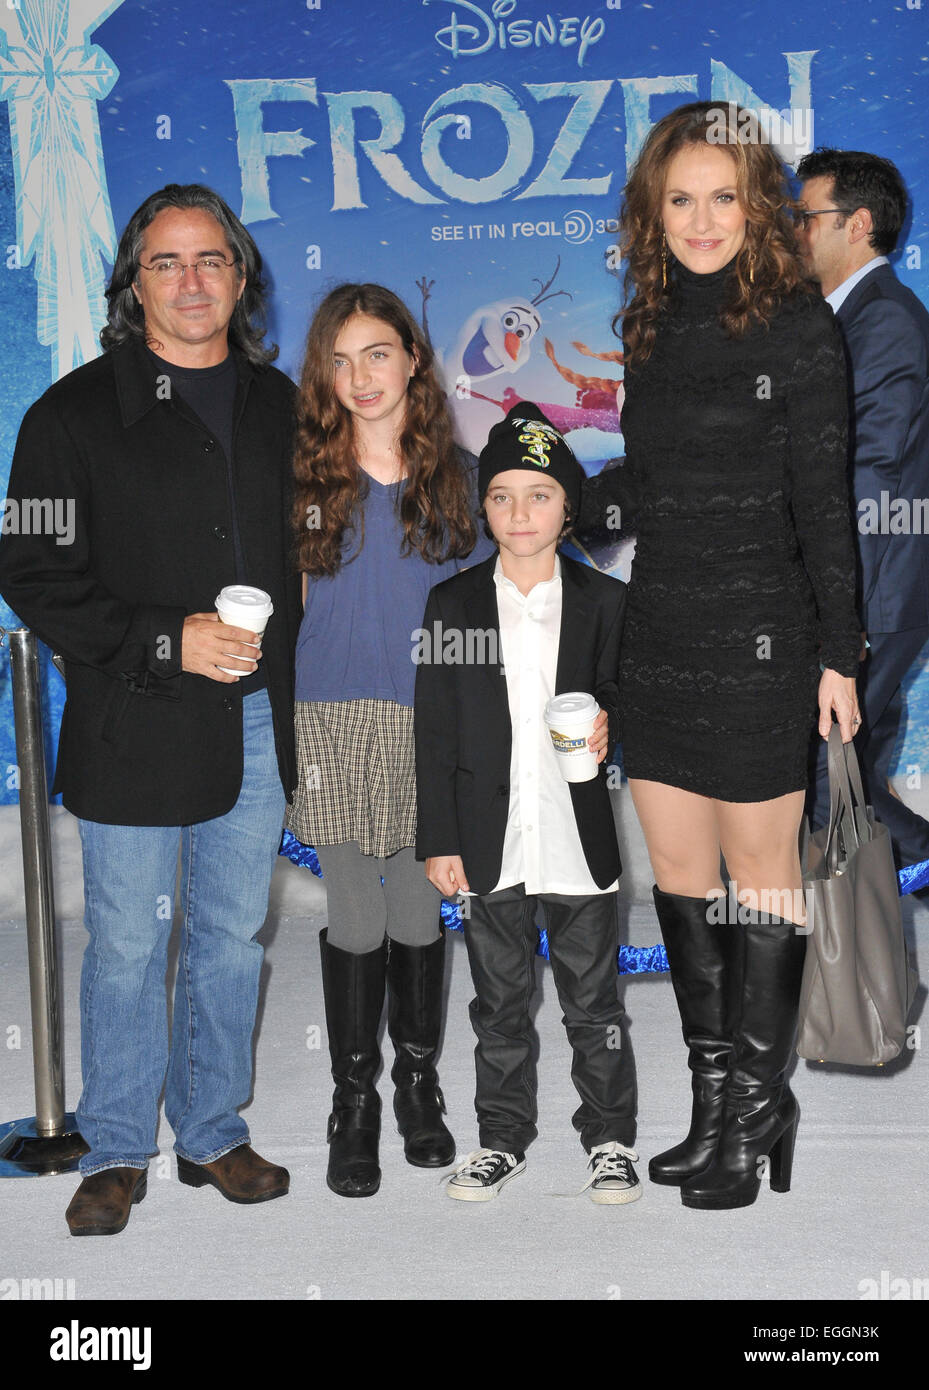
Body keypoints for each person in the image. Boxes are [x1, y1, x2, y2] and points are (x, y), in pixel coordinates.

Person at [0, 184, 301, 1234]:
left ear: (241, 275)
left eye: (210, 260)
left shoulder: (281, 404)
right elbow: (29, 571)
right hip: (131, 721)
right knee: (126, 943)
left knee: (229, 934)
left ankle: (212, 1129)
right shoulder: (68, 414)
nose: (190, 282)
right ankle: (119, 1145)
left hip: (258, 719)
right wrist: (169, 636)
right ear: (133, 283)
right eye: (165, 263)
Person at [580, 102, 861, 1210]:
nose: (700, 220)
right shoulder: (646, 323)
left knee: (760, 883)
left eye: (722, 197)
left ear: (756, 206)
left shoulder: (797, 327)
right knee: (683, 882)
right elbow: (646, 481)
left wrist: (835, 652)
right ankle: (712, 1110)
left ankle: (755, 1110)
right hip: (659, 637)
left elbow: (822, 499)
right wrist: (573, 496)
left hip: (759, 640)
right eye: (678, 199)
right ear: (653, 212)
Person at [290, 282, 494, 1198]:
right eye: (338, 360)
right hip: (327, 716)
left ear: (414, 357)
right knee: (356, 912)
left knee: (416, 909)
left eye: (376, 353)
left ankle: (417, 1086)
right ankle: (353, 1101)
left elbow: (489, 622)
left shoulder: (461, 478)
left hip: (427, 721)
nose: (358, 376)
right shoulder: (298, 482)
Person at [416, 402, 639, 1204]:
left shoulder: (604, 601)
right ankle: (500, 1137)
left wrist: (614, 725)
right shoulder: (452, 605)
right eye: (502, 495)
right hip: (488, 838)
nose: (519, 513)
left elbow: (622, 696)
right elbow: (434, 731)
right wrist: (439, 839)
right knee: (498, 1003)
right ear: (481, 506)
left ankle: (609, 1137)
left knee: (593, 1002)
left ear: (567, 506)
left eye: (538, 495)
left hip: (576, 838)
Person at [796, 149, 929, 870]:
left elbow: (863, 476)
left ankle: (843, 959)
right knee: (854, 773)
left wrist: (836, 617)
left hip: (873, 592)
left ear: (858, 224)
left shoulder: (880, 323)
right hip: (875, 589)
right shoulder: (853, 319)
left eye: (806, 216)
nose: (794, 232)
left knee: (828, 775)